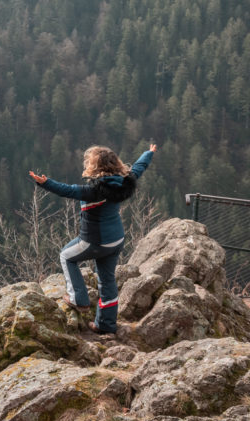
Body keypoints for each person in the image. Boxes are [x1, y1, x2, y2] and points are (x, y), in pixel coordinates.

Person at [28, 143, 156, 334]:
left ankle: (78, 299)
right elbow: (139, 167)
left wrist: (45, 183)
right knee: (107, 280)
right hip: (116, 240)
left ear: (95, 167)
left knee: (66, 256)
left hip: (95, 241)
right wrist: (149, 153)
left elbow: (67, 190)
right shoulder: (125, 181)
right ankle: (105, 325)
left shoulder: (92, 191)